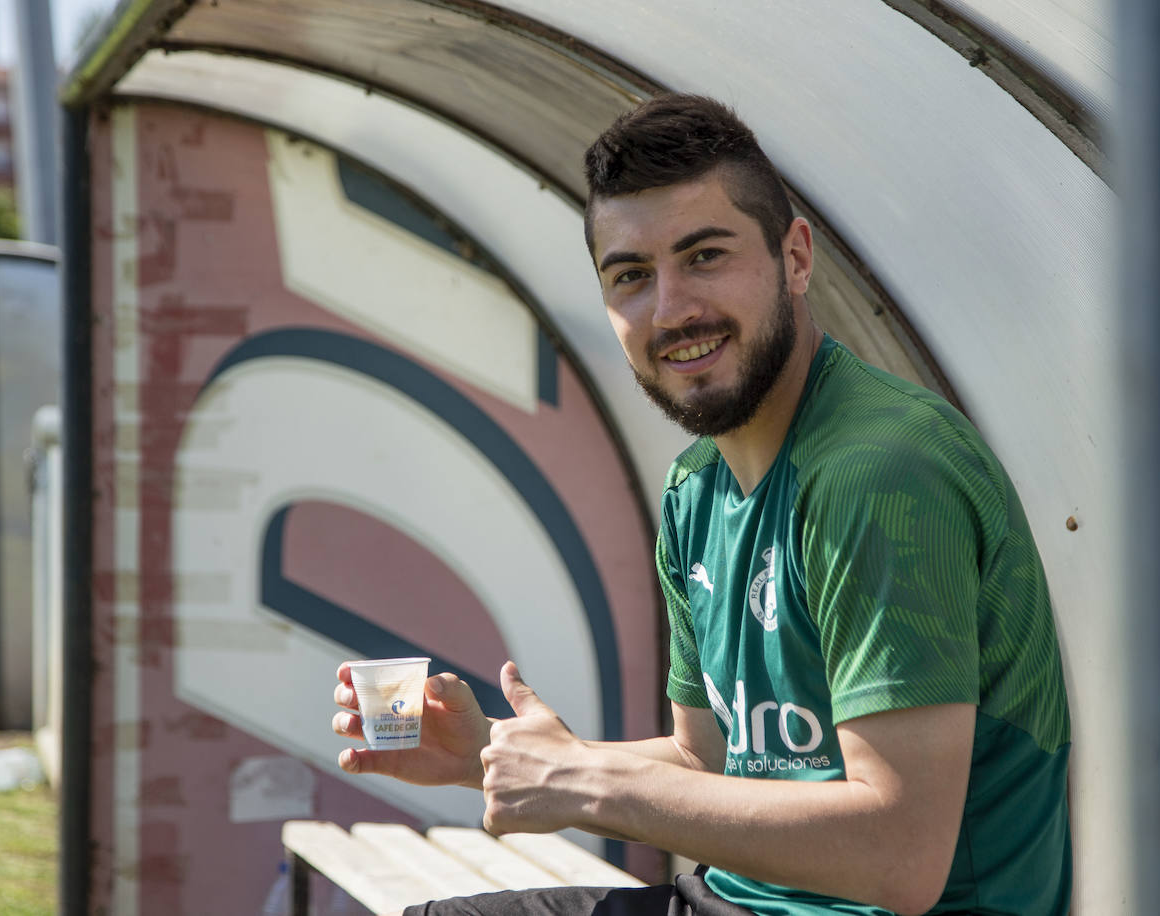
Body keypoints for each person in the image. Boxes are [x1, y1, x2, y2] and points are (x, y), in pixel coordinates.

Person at [332, 94, 1071, 916]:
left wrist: (585, 784)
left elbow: (900, 855)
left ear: (795, 258)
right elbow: (712, 765)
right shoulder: (696, 489)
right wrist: (498, 756)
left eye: (705, 256)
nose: (671, 309)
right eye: (631, 277)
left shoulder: (880, 472)